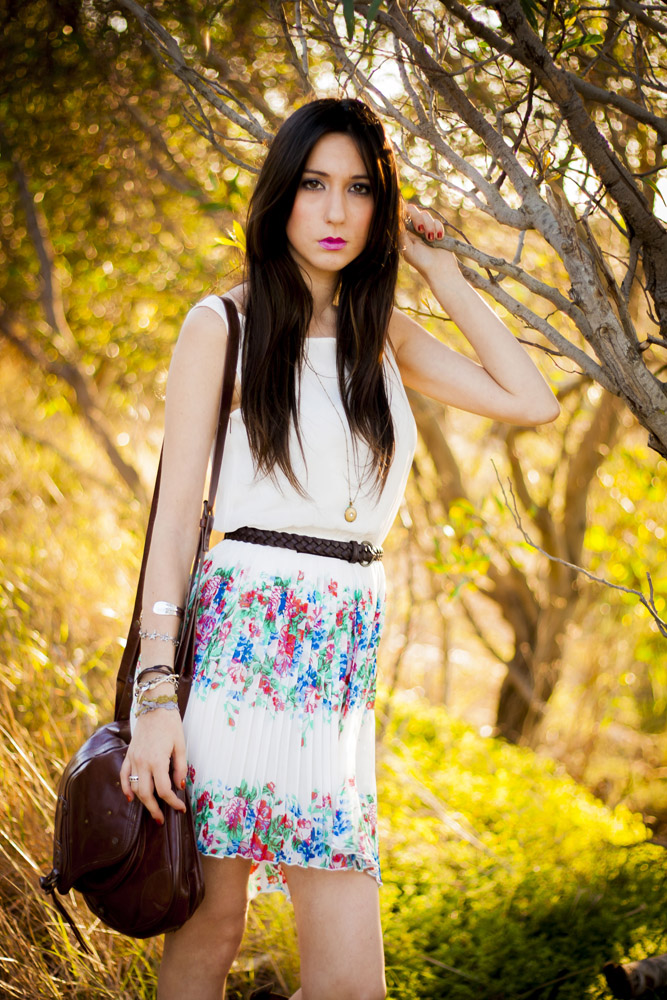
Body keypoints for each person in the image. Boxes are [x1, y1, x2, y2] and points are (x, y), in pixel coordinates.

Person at [119, 98, 559, 1000]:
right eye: (314, 185)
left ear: (380, 208)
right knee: (210, 931)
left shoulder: (379, 333)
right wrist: (155, 697)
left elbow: (530, 400)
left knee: (352, 981)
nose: (334, 211)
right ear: (281, 194)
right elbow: (172, 526)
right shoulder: (222, 326)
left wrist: (438, 268)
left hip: (336, 677)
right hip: (239, 658)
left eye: (359, 190)